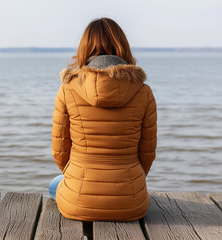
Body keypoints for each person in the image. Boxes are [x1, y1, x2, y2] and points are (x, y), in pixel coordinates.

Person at [49, 17, 157, 221]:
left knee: (54, 184)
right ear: (122, 47)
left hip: (78, 201)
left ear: (85, 48)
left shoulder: (68, 89)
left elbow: (59, 151)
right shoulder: (144, 92)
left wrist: (77, 175)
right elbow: (147, 153)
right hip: (131, 204)